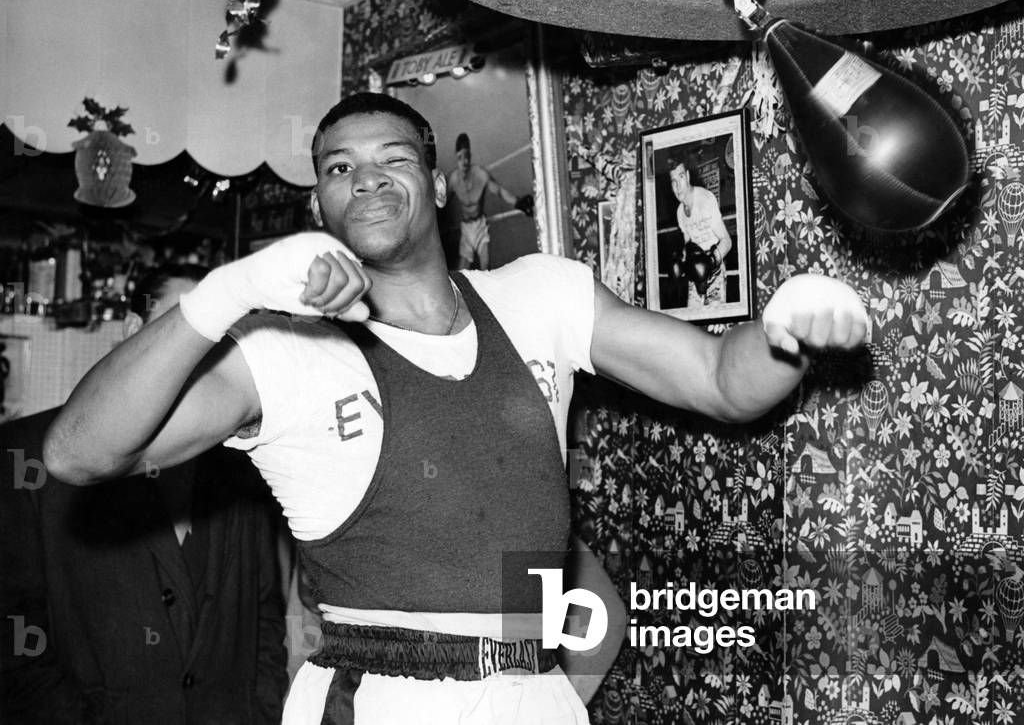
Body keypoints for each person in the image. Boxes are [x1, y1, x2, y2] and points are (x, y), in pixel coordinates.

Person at [42, 92, 869, 725]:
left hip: (535, 690)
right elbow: (80, 453)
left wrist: (785, 330)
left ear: (434, 184)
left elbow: (723, 380)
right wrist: (227, 293)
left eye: (391, 157)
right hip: (385, 698)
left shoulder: (540, 294)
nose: (364, 178)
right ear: (316, 207)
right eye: (336, 167)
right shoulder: (285, 353)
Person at [0, 265, 289, 725]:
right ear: (134, 332)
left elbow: (263, 621)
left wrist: (263, 709)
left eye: (225, 333)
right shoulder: (24, 456)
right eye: (187, 326)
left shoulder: (246, 461)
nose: (204, 350)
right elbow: (14, 645)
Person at [445, 132, 531, 269]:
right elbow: (440, 203)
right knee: (461, 273)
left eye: (467, 156)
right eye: (460, 157)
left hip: (480, 226)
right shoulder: (453, 180)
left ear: (470, 156)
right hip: (466, 229)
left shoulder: (480, 174)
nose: (464, 161)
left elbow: (499, 191)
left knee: (486, 270)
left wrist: (518, 202)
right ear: (456, 158)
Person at [670, 163, 732, 306]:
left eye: (680, 177)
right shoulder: (680, 212)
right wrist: (680, 260)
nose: (678, 186)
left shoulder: (705, 200)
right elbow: (687, 242)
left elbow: (727, 241)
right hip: (694, 271)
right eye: (674, 181)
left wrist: (709, 263)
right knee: (693, 321)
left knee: (715, 325)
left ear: (688, 176)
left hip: (714, 271)